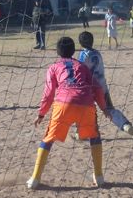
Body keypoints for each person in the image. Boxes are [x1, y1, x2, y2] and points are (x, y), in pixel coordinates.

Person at [27, 36, 109, 190]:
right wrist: (104, 108)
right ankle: (99, 177)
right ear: (73, 50)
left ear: (58, 52)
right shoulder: (82, 66)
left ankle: (34, 179)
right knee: (95, 136)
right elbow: (97, 88)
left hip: (63, 105)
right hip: (86, 104)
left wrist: (41, 113)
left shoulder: (54, 67)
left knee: (48, 138)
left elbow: (48, 93)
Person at [77, 31, 133, 137]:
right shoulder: (97, 53)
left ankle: (81, 132)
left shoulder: (83, 54)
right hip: (101, 86)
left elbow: (80, 70)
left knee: (85, 110)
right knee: (109, 109)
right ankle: (125, 125)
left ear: (80, 43)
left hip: (88, 88)